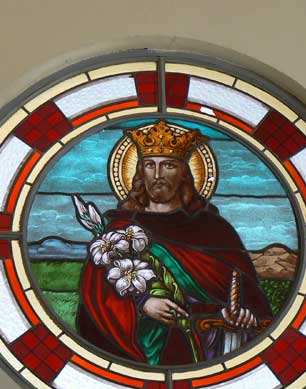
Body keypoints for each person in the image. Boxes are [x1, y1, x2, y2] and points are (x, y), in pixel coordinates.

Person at [76, 120, 273, 366]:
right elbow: (96, 299)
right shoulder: (117, 230)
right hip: (135, 355)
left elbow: (252, 301)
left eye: (168, 165)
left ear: (184, 173)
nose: (158, 175)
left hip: (203, 348)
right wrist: (143, 304)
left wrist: (239, 314)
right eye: (150, 165)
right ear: (140, 171)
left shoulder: (215, 230)